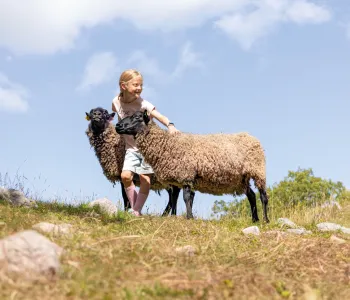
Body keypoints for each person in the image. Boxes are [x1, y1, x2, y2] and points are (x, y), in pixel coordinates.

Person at [112, 69, 180, 216]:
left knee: (145, 179)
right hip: (130, 148)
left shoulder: (143, 104)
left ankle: (136, 211)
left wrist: (170, 125)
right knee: (125, 176)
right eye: (135, 85)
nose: (139, 88)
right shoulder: (116, 102)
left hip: (145, 148)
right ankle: (136, 209)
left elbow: (159, 115)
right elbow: (117, 115)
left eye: (141, 85)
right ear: (123, 86)